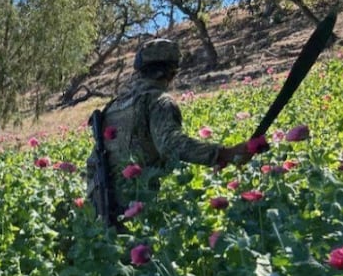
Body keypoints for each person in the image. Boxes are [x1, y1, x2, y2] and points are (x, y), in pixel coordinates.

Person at [86, 38, 261, 226]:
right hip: (137, 203)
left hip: (101, 204)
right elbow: (171, 144)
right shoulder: (158, 102)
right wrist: (224, 154)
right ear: (171, 72)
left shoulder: (113, 107)